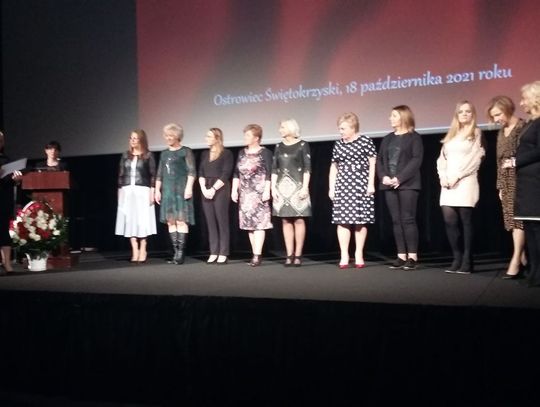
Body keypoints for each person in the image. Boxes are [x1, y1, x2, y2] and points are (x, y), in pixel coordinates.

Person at [437, 101, 485, 274]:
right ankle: (456, 257)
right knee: (449, 220)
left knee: (466, 221)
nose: (464, 114)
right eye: (461, 111)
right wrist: (443, 176)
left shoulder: (476, 133)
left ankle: (467, 260)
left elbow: (475, 158)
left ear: (473, 114)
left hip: (466, 181)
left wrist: (458, 176)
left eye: (468, 111)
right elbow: (442, 159)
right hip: (448, 183)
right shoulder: (451, 135)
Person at [377, 105, 423, 270]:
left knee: (407, 219)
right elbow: (380, 160)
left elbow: (416, 160)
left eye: (394, 115)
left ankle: (412, 257)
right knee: (396, 220)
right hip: (389, 184)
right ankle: (401, 255)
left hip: (408, 184)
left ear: (403, 117)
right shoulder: (387, 138)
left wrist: (400, 178)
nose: (390, 118)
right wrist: (384, 177)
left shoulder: (414, 137)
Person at [328, 112, 376, 269]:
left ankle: (358, 253)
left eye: (343, 128)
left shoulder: (365, 141)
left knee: (360, 221)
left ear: (352, 127)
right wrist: (331, 187)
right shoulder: (338, 144)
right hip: (342, 186)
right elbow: (334, 167)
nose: (340, 131)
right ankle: (344, 254)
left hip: (361, 185)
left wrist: (371, 184)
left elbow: (372, 163)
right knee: (342, 220)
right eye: (339, 128)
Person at [486, 96, 527, 279]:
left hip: (522, 179)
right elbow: (498, 161)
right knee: (511, 222)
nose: (496, 119)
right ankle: (524, 260)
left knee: (519, 221)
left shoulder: (523, 127)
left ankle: (515, 260)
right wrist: (500, 187)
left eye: (498, 114)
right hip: (506, 180)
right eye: (493, 116)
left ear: (508, 109)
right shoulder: (502, 132)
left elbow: (529, 154)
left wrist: (515, 163)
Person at [271, 119, 311, 267]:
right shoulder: (278, 146)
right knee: (285, 220)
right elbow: (274, 169)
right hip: (282, 188)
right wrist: (273, 188)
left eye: (282, 127)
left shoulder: (303, 145)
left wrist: (305, 187)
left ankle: (298, 255)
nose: (280, 130)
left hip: (298, 187)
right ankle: (289, 254)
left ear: (290, 128)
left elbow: (307, 168)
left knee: (299, 220)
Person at [231, 124, 273, 267]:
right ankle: (254, 253)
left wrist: (267, 190)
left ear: (256, 138)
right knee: (249, 225)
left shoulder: (265, 153)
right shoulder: (241, 153)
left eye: (248, 135)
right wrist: (234, 190)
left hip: (259, 192)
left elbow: (269, 173)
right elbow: (236, 173)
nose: (245, 137)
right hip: (245, 193)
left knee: (259, 224)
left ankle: (257, 255)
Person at [155, 123, 195, 265]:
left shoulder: (186, 151)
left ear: (177, 136)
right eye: (166, 136)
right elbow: (159, 174)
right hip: (167, 191)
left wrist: (189, 188)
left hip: (181, 190)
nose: (168, 138)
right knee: (171, 221)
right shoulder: (164, 154)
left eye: (170, 136)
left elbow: (191, 171)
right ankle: (175, 252)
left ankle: (180, 254)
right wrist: (157, 190)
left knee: (181, 220)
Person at [114, 130, 157, 263]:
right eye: (131, 138)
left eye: (135, 138)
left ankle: (143, 247)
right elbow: (121, 174)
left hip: (143, 190)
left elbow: (153, 175)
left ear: (141, 140)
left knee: (142, 220)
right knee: (129, 220)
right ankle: (134, 248)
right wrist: (119, 190)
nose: (132, 140)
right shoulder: (125, 155)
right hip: (127, 191)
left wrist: (152, 191)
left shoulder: (148, 155)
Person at [514, 81, 540, 287]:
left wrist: (516, 161)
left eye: (524, 99)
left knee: (537, 229)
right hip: (526, 182)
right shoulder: (531, 123)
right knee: (530, 228)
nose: (521, 103)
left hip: (536, 182)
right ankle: (534, 272)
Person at [198, 128, 234, 265]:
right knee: (210, 222)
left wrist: (213, 189)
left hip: (220, 189)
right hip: (206, 188)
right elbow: (200, 172)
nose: (206, 138)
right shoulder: (204, 154)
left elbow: (226, 173)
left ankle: (223, 252)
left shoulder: (226, 153)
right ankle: (213, 251)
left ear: (217, 138)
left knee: (221, 221)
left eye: (209, 136)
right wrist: (203, 189)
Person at [0, 131, 23, 275]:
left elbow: (11, 180)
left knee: (3, 231)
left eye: (1, 140)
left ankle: (7, 264)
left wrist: (17, 180)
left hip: (3, 200)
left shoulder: (7, 160)